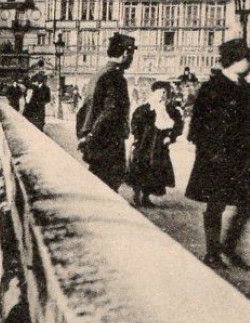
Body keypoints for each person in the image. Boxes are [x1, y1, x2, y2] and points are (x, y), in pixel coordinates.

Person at [186, 38, 250, 268]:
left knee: (249, 202)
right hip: (217, 157)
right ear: (234, 60)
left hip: (244, 157)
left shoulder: (247, 89)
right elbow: (197, 125)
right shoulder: (212, 87)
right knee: (216, 204)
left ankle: (229, 247)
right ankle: (212, 252)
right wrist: (210, 153)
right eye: (246, 58)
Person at [75, 32, 136, 192]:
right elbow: (110, 112)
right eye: (131, 54)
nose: (131, 59)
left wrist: (84, 135)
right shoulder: (116, 77)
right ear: (125, 54)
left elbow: (83, 110)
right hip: (108, 142)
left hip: (95, 141)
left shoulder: (98, 74)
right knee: (108, 186)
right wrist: (93, 136)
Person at [125, 79, 184, 208]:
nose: (162, 95)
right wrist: (137, 137)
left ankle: (146, 197)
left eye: (165, 93)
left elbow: (179, 125)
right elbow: (135, 123)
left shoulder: (170, 110)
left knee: (154, 170)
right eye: (160, 92)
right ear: (154, 93)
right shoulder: (145, 108)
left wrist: (171, 137)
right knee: (140, 166)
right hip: (144, 144)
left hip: (159, 145)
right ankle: (136, 194)